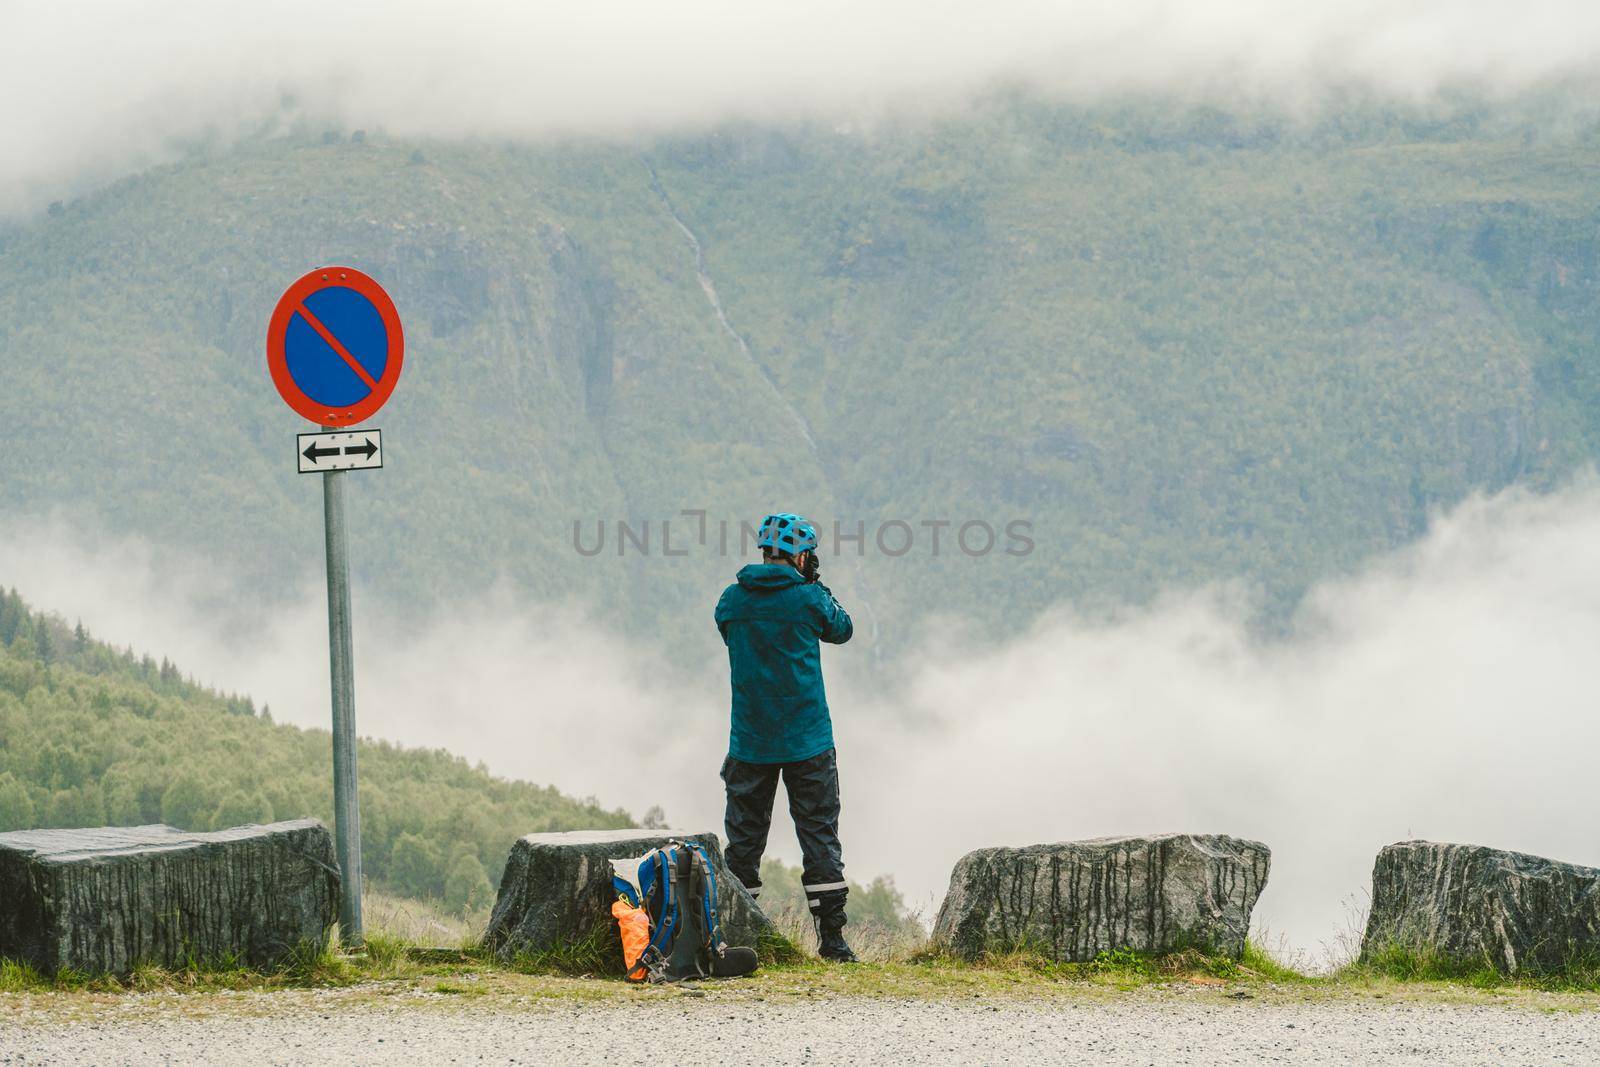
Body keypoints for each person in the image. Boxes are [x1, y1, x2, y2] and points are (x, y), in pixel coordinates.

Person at [714, 512, 857, 962]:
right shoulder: (808, 599)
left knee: (744, 842)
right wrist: (817, 585)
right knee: (818, 835)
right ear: (800, 554)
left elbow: (729, 631)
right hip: (808, 741)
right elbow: (842, 629)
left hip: (750, 741)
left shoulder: (732, 601)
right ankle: (832, 942)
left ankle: (740, 934)